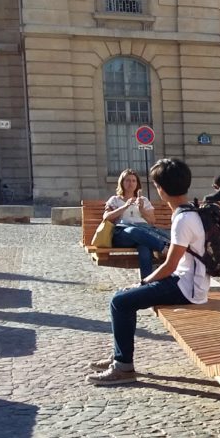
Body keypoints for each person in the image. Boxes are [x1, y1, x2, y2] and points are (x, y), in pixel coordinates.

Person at [88, 158, 208, 386]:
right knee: (123, 298)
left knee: (120, 302)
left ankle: (123, 366)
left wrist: (144, 282)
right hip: (188, 281)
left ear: (161, 190)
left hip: (186, 287)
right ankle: (118, 357)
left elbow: (169, 266)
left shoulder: (183, 219)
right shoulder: (190, 212)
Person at [102, 169, 171, 280]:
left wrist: (141, 209)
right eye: (128, 180)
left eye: (134, 181)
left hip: (143, 233)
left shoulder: (143, 200)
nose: (131, 183)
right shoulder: (115, 200)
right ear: (122, 183)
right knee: (133, 231)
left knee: (144, 247)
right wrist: (125, 206)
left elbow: (152, 221)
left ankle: (146, 283)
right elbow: (106, 217)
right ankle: (163, 248)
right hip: (122, 234)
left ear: (137, 184)